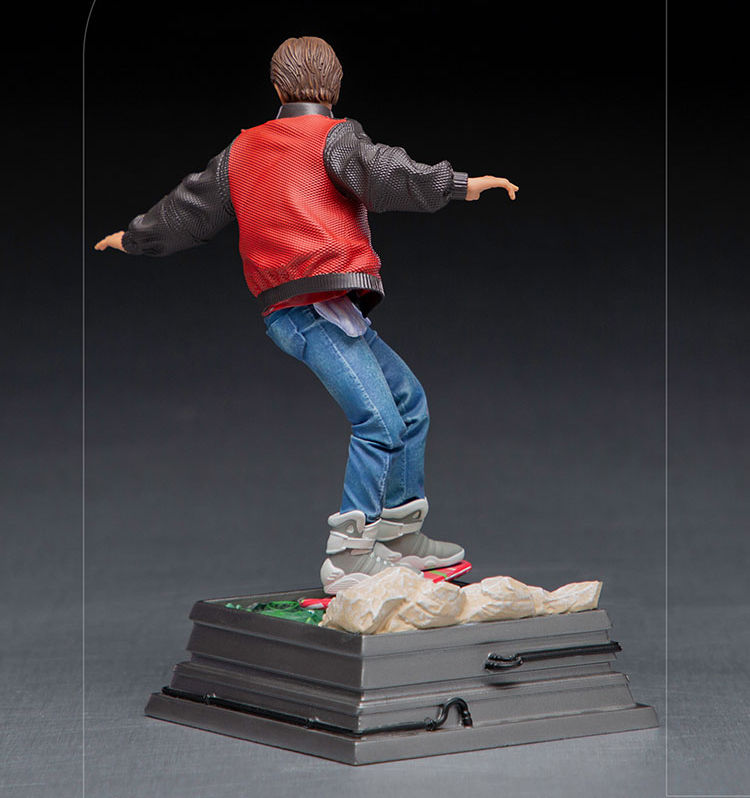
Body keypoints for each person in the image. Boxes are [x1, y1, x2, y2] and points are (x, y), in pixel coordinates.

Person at [95, 36, 518, 593]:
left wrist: (134, 238)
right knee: (380, 422)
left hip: (320, 308)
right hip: (308, 310)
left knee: (408, 404)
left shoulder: (240, 151)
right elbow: (389, 173)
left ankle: (397, 534)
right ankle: (348, 557)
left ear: (277, 88)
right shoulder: (335, 137)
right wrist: (461, 185)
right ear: (336, 87)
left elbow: (186, 210)